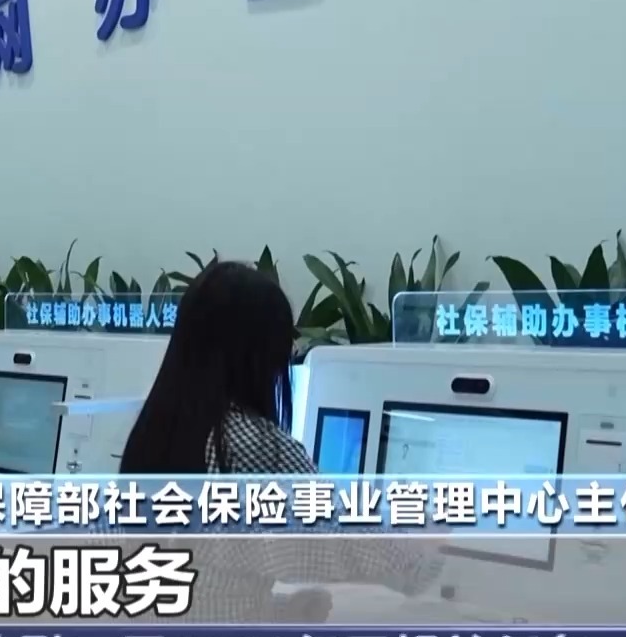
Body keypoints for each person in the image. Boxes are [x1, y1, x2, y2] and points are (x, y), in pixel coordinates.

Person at [120, 260, 440, 620]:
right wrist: (433, 546)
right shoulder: (249, 445)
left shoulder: (157, 429)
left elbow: (197, 579)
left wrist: (273, 610)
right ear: (261, 357)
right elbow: (345, 538)